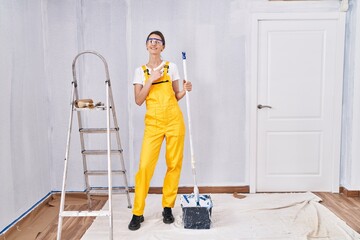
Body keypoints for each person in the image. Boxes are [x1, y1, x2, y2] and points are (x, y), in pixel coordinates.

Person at [128, 31, 192, 231]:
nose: (154, 43)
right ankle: (137, 213)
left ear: (163, 47)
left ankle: (167, 207)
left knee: (174, 164)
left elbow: (176, 95)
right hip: (153, 124)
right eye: (151, 41)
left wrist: (185, 89)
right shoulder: (140, 71)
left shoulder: (171, 67)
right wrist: (151, 80)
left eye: (158, 41)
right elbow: (139, 100)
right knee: (145, 167)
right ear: (146, 45)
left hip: (174, 120)